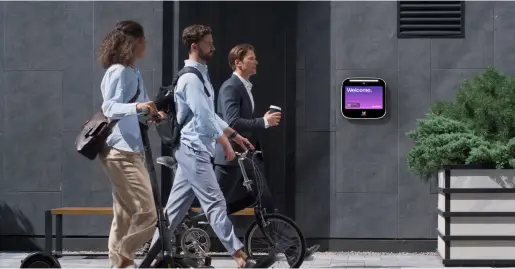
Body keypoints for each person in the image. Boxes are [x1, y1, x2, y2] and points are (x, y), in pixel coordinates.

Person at [149, 24, 276, 268]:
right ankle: (241, 258)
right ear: (195, 46)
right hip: (193, 149)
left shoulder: (201, 75)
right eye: (209, 43)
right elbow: (202, 118)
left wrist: (235, 136)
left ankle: (154, 255)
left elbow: (210, 115)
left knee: (174, 210)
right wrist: (224, 141)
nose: (213, 47)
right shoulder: (190, 79)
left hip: (193, 150)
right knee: (216, 203)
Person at [214, 43, 321, 258]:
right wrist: (263, 122)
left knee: (264, 201)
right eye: (251, 58)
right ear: (238, 62)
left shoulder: (244, 87)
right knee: (216, 205)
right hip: (231, 157)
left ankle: (292, 250)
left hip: (246, 156)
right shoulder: (230, 87)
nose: (256, 61)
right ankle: (182, 234)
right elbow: (231, 121)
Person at [98, 20, 164, 268]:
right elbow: (110, 108)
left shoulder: (133, 71)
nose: (146, 43)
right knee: (148, 212)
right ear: (134, 42)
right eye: (143, 39)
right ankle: (125, 258)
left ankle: (118, 265)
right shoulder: (119, 71)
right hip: (119, 151)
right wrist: (137, 107)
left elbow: (142, 103)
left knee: (124, 215)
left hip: (128, 150)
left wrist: (154, 112)